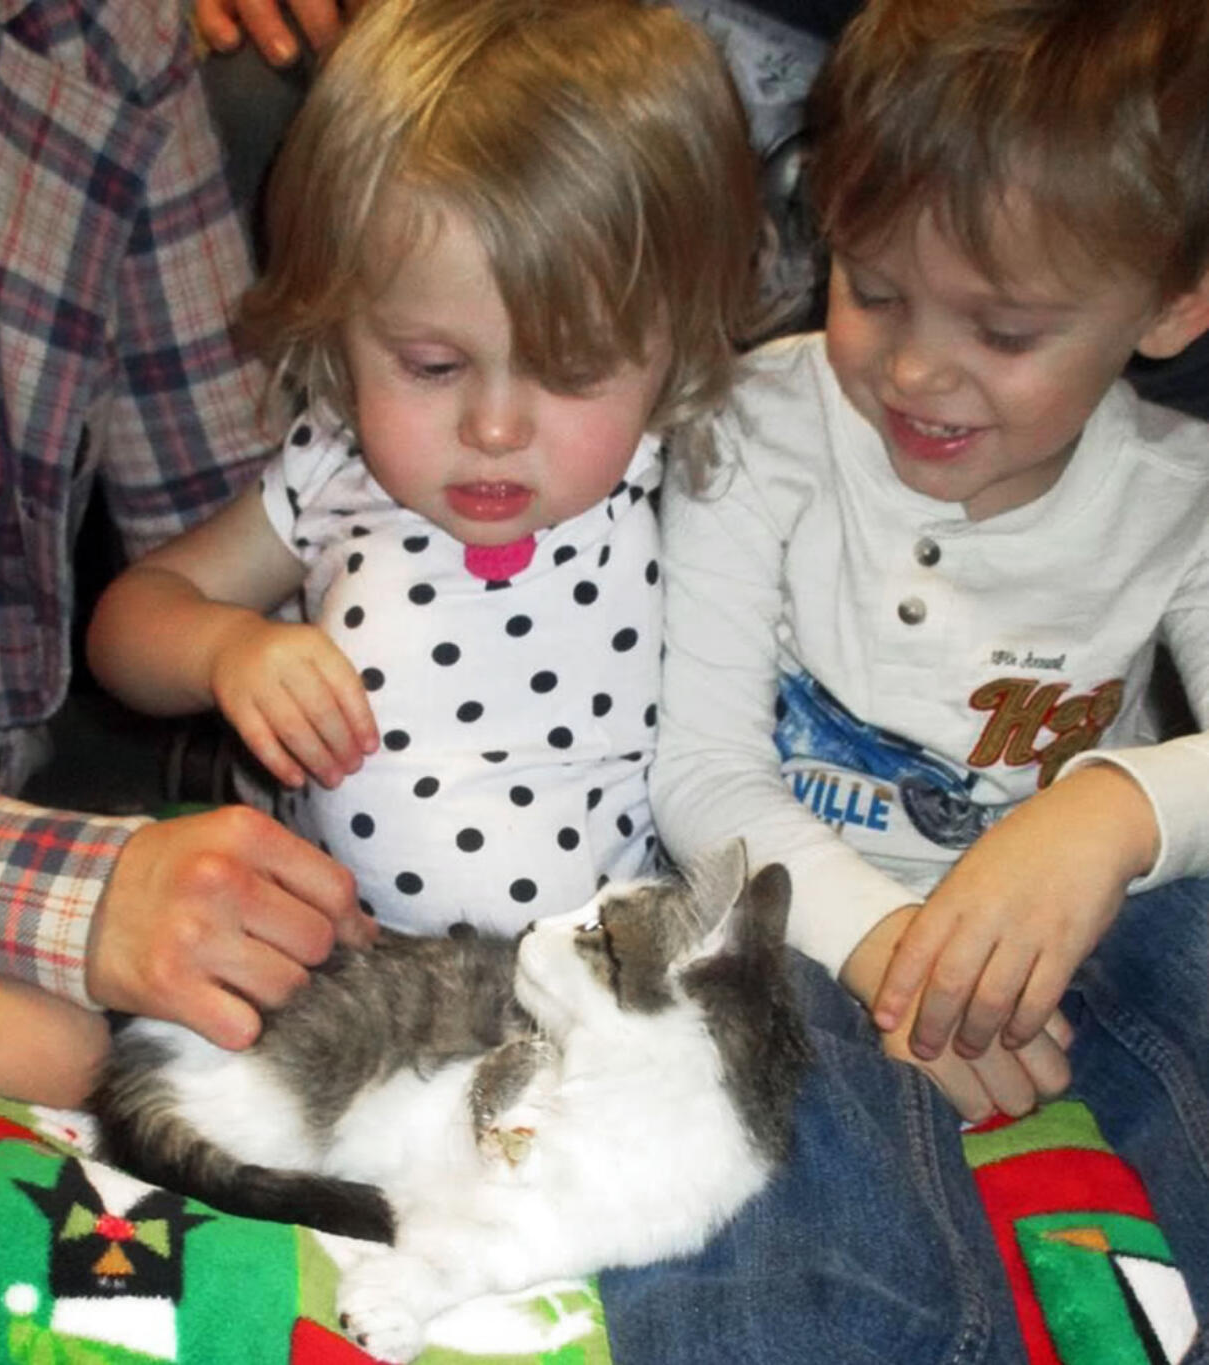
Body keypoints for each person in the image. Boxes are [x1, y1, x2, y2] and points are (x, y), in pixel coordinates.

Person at [600, 0, 1209, 1357]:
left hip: (1066, 972)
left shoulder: (1180, 495)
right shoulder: (756, 424)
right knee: (709, 1030)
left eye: (1002, 331)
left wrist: (1103, 812)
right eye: (871, 290)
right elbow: (701, 776)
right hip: (795, 937)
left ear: (1172, 302)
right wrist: (891, 960)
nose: (917, 366)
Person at [86, 0, 769, 937]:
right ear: (339, 322)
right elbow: (129, 622)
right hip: (335, 978)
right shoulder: (335, 466)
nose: (493, 427)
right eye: (431, 366)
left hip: (602, 988)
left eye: (570, 370)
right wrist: (224, 649)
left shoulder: (682, 472)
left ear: (679, 344)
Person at [0, 0, 379, 1111]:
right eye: (432, 364)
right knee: (79, 1062)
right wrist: (88, 893)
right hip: (31, 866)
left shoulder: (97, 33)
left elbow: (211, 497)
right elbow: (153, 614)